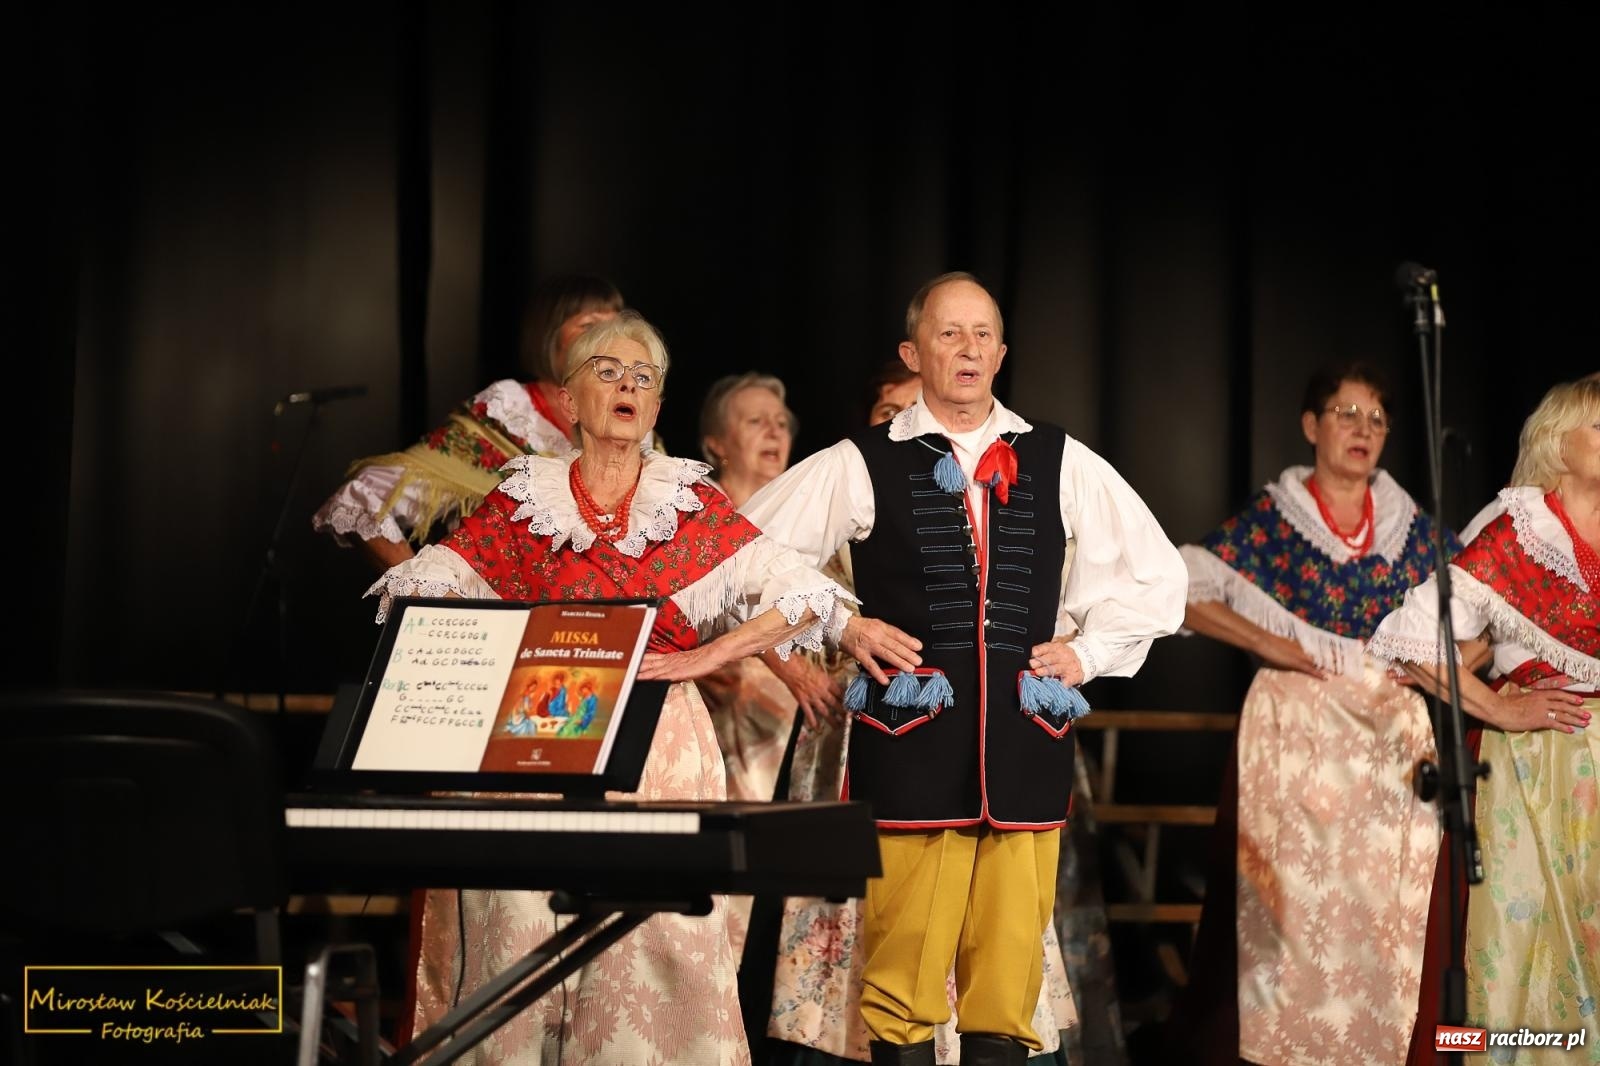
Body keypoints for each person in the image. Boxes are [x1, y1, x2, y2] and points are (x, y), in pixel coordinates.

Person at [371, 311, 855, 1065]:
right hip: (536, 742)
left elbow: (805, 597)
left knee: (656, 952)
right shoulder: (523, 504)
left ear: (658, 409)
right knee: (520, 944)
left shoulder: (688, 508)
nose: (627, 385)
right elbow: (421, 601)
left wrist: (705, 654)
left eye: (644, 378)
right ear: (569, 402)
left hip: (659, 750)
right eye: (606, 371)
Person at [742, 272, 1187, 1066]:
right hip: (913, 751)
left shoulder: (1058, 458)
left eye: (982, 334)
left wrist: (1085, 652)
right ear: (914, 353)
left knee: (1009, 995)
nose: (969, 349)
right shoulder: (862, 461)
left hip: (1026, 753)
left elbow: (1159, 580)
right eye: (949, 334)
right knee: (902, 990)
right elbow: (741, 551)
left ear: (1003, 350)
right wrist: (843, 623)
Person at [757, 360, 1081, 1066]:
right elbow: (749, 567)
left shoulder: (1040, 462)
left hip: (1008, 744)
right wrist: (839, 631)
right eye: (897, 417)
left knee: (1004, 946)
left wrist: (1083, 649)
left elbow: (1104, 575)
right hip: (892, 734)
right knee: (895, 936)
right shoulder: (856, 478)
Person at [1168, 362, 1461, 1066]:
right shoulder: (1274, 524)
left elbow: (1480, 618)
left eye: (1376, 420)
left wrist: (1436, 672)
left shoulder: (1413, 534)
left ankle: (1381, 1045)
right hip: (1297, 744)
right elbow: (1179, 588)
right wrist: (1273, 642)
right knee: (1297, 911)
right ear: (1312, 426)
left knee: (1384, 908)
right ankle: (1287, 1048)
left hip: (1387, 749)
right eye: (1345, 413)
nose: (1361, 430)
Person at [1368, 374, 1599, 1064]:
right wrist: (1503, 706)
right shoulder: (1520, 533)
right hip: (1538, 775)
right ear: (1559, 445)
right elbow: (1412, 643)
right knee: (1531, 952)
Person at [313, 274, 624, 571]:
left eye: (614, 328)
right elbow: (361, 500)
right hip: (506, 619)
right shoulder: (506, 418)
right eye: (589, 326)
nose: (606, 342)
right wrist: (423, 590)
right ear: (549, 335)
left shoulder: (627, 424)